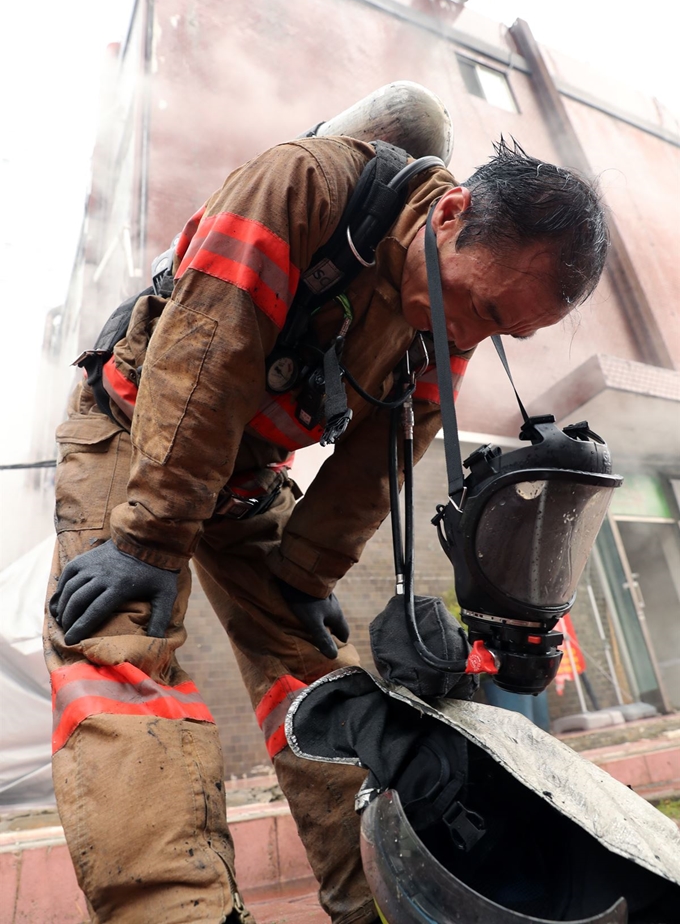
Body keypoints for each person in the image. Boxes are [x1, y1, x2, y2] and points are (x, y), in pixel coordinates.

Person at [45, 134, 609, 924]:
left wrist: (307, 575)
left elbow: (377, 462)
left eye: (505, 333)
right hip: (137, 426)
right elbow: (207, 359)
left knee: (318, 676)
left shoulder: (445, 326)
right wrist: (148, 540)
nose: (475, 338)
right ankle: (178, 911)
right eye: (482, 308)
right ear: (450, 215)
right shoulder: (304, 187)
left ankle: (378, 900)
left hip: (246, 475)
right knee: (116, 643)